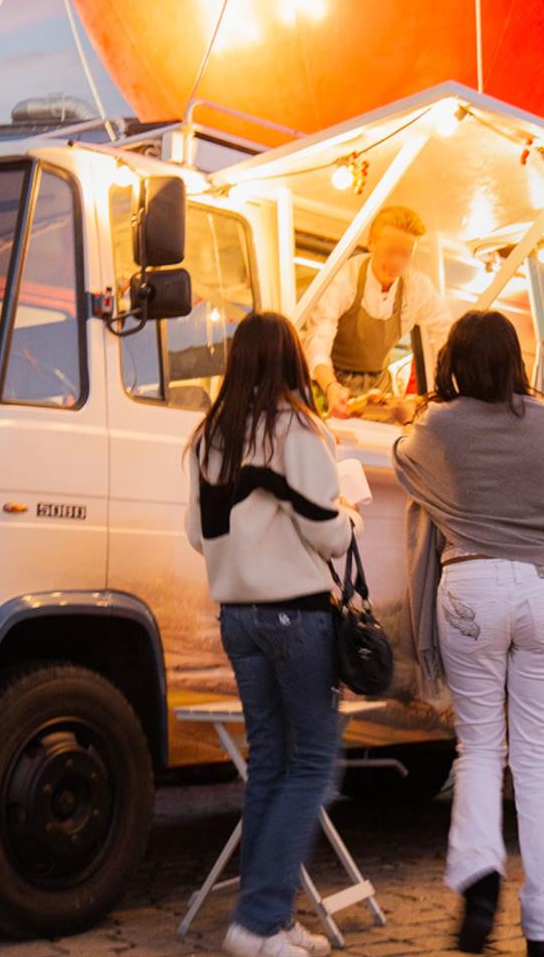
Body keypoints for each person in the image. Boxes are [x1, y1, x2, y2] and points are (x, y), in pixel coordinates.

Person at [394, 310, 544, 957]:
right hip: (543, 595)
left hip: (471, 587)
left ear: (453, 358)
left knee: (479, 750)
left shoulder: (436, 427)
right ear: (515, 360)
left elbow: (400, 462)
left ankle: (480, 882)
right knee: (538, 763)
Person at [184, 311, 360, 957]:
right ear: (289, 361)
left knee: (270, 765)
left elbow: (194, 534)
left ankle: (270, 920)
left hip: (238, 618)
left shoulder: (209, 437)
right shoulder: (295, 430)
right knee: (312, 763)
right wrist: (351, 521)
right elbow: (327, 532)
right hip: (295, 615)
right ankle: (257, 923)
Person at [304, 204, 452, 420]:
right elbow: (317, 341)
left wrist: (448, 394)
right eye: (390, 252)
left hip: (378, 390)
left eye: (406, 254)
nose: (397, 262)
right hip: (328, 385)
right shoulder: (345, 279)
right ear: (371, 243)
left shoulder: (417, 287)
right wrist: (331, 386)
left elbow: (446, 335)